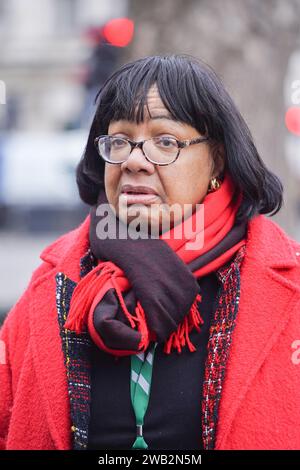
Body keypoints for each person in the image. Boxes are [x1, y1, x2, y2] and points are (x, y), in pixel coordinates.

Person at [0, 54, 300, 451]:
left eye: (165, 142)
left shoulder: (287, 286)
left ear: (218, 159)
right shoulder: (53, 286)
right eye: (120, 140)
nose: (134, 161)